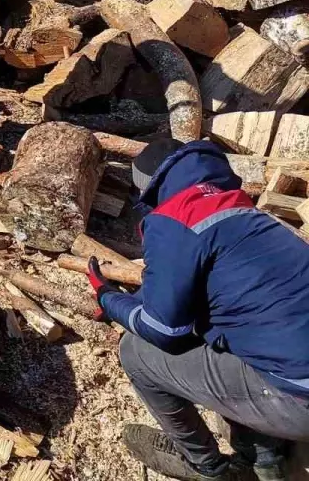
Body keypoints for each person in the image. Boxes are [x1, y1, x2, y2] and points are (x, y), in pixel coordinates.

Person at [88, 138, 309, 481]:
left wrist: (107, 298)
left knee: (135, 352)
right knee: (235, 330)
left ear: (150, 189)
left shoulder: (173, 220)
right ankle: (267, 458)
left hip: (298, 401)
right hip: (297, 368)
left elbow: (165, 333)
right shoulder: (244, 210)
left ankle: (208, 468)